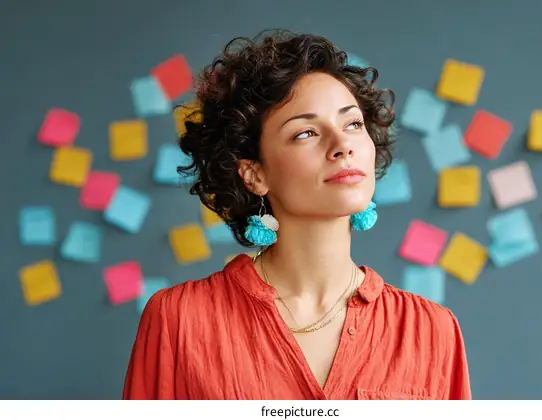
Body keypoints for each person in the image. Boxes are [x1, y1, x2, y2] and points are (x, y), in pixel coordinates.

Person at [122, 29, 471, 400]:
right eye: (306, 132)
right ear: (255, 174)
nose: (342, 146)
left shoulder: (433, 330)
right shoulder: (178, 320)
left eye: (352, 124)